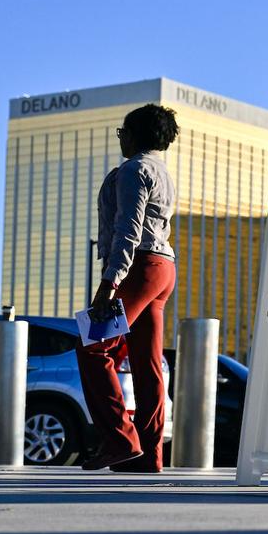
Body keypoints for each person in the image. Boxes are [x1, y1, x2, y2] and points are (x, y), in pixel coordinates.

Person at [77, 104, 179, 472]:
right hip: (163, 268)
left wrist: (110, 281)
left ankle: (120, 440)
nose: (121, 138)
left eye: (122, 132)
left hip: (139, 267)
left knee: (91, 345)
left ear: (134, 135)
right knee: (145, 362)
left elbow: (128, 231)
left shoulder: (135, 170)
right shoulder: (162, 171)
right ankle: (149, 456)